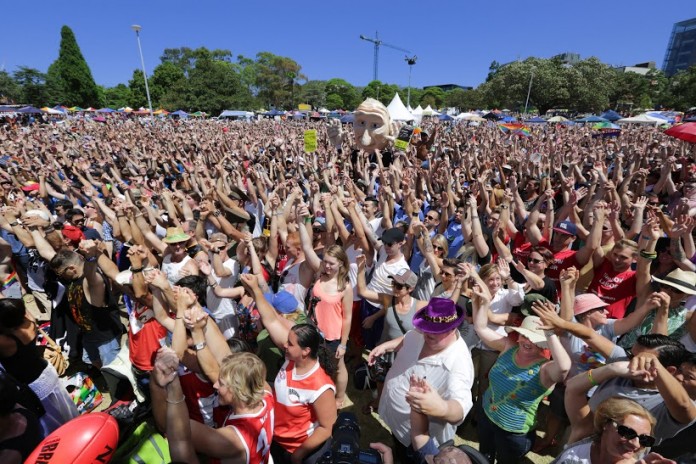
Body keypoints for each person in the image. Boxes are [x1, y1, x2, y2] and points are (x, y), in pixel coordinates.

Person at [240, 273, 337, 464]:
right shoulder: (291, 359)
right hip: (277, 440)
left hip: (299, 450)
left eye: (290, 344)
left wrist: (299, 454)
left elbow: (326, 428)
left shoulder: (321, 386)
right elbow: (271, 320)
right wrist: (256, 290)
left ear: (305, 351)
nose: (285, 345)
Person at [472, 284, 571, 464]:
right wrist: (481, 302)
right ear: (517, 336)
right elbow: (480, 328)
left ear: (543, 343)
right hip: (486, 413)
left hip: (513, 432)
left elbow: (564, 367)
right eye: (525, 335)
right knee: (484, 456)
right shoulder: (508, 347)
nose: (528, 341)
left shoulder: (545, 369)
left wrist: (549, 331)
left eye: (534, 338)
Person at [369, 297, 474, 463]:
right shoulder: (421, 334)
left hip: (415, 439)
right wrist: (387, 346)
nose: (427, 333)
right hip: (395, 421)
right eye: (426, 328)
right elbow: (407, 338)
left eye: (435, 330)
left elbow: (459, 408)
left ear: (452, 328)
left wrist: (443, 408)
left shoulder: (459, 363)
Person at [151, 347, 275, 464]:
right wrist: (200, 326)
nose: (215, 385)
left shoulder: (231, 441)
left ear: (238, 391)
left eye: (221, 383)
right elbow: (225, 352)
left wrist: (167, 382)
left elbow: (176, 433)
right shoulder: (266, 395)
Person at [0, 298, 77, 437]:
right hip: (47, 373)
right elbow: (21, 310)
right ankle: (75, 429)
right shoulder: (30, 323)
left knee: (51, 420)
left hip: (34, 385)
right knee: (64, 407)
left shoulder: (6, 342)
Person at [552, 397, 661, 464]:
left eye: (644, 439)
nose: (636, 444)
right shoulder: (577, 451)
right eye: (628, 432)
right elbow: (573, 389)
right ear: (606, 424)